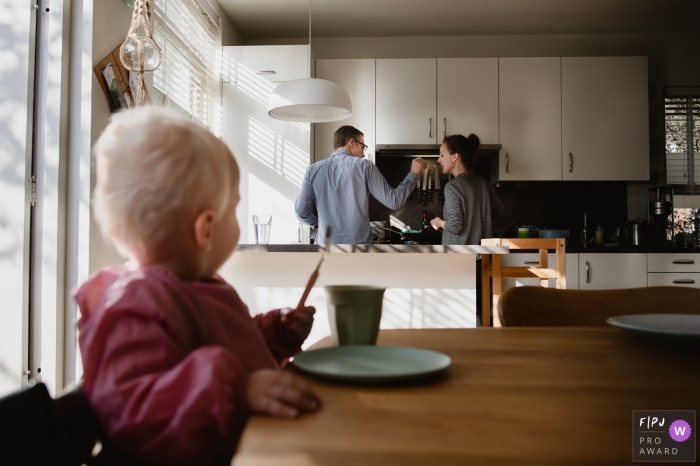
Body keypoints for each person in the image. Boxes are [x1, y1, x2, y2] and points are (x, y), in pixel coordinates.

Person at [73, 107, 320, 466]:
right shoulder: (135, 304)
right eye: (234, 209)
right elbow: (136, 415)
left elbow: (223, 345)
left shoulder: (198, 286)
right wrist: (238, 392)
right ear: (205, 229)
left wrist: (274, 334)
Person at [295, 125, 427, 244]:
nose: (363, 154)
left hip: (326, 250)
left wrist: (314, 222)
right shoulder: (365, 167)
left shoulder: (313, 170)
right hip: (359, 250)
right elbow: (394, 201)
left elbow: (301, 211)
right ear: (351, 142)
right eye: (363, 147)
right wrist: (413, 174)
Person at [430, 134, 505, 245]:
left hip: (461, 256)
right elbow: (500, 210)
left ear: (455, 156)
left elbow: (455, 226)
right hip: (483, 255)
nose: (438, 160)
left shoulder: (452, 187)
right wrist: (476, 217)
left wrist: (438, 222)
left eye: (442, 155)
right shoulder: (484, 184)